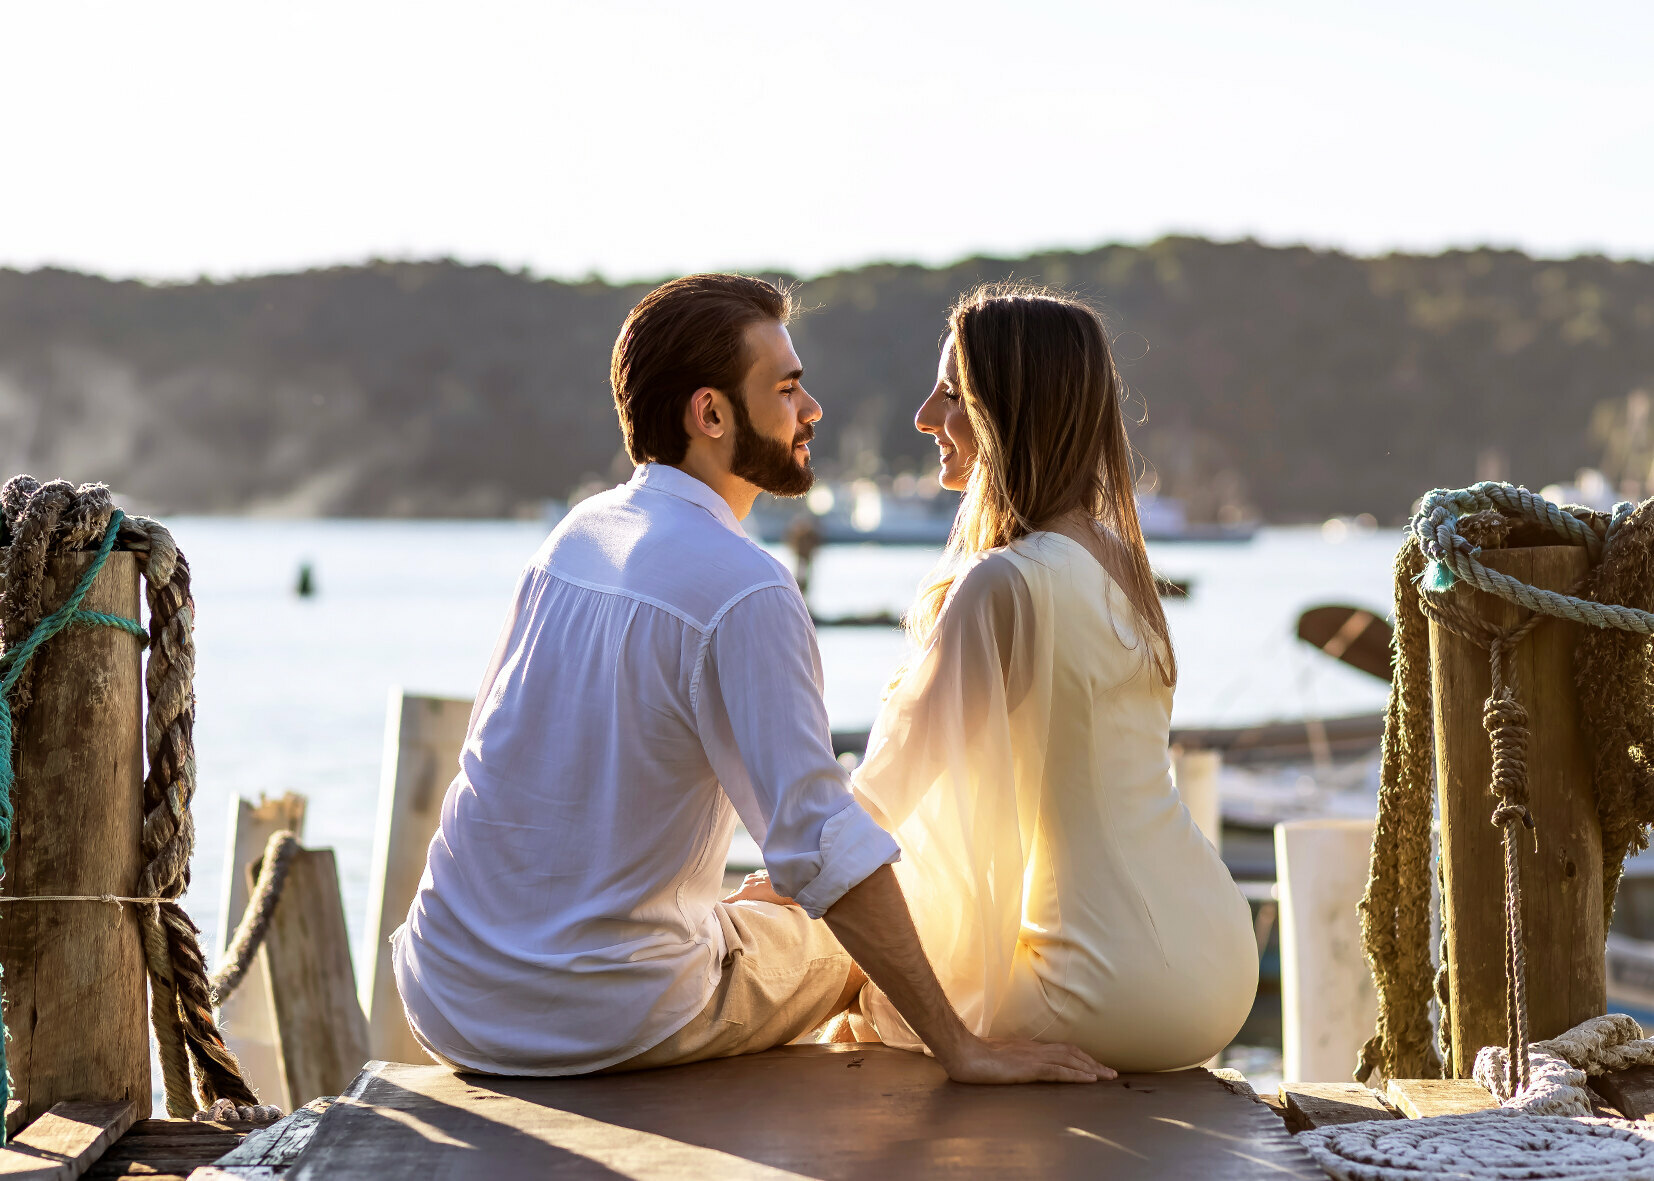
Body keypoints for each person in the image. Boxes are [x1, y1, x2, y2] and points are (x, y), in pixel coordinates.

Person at [391, 273, 1110, 1085]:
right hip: (600, 1015)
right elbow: (823, 851)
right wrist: (964, 1048)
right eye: (788, 388)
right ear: (711, 414)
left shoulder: (575, 538)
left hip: (445, 987)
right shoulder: (747, 588)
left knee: (761, 908)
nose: (812, 411)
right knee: (871, 941)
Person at [828, 285, 1256, 1069]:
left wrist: (779, 878)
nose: (925, 417)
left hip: (1110, 986)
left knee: (868, 990)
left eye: (952, 394)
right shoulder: (1120, 562)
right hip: (1222, 960)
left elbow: (884, 795)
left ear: (1009, 410)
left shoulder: (1002, 583)